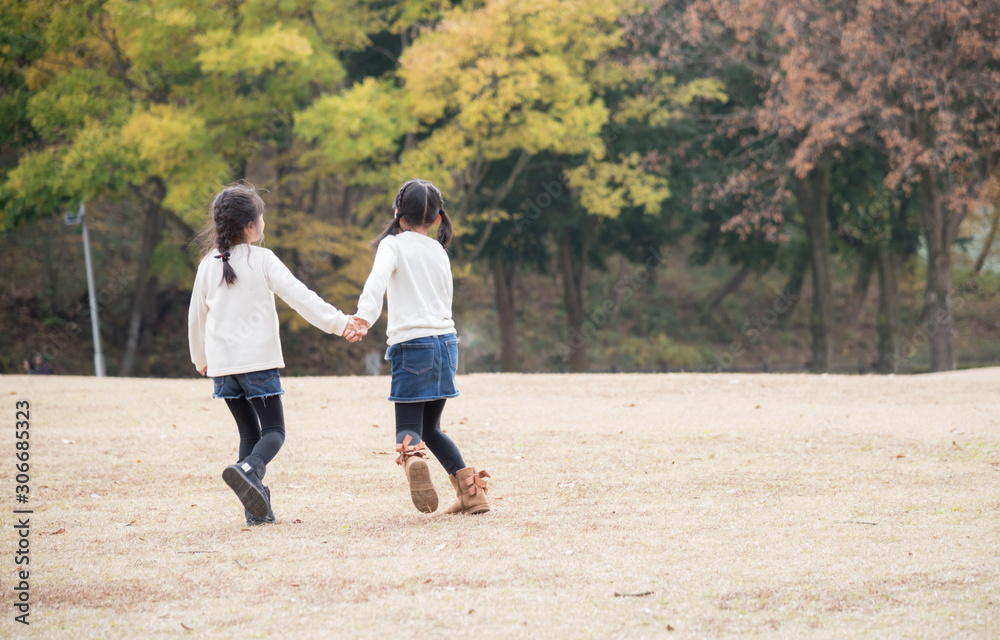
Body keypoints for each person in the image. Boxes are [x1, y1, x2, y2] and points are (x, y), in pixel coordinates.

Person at [188, 183, 363, 526]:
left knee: (249, 435)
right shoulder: (262, 260)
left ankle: (257, 511)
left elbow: (197, 318)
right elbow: (301, 297)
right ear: (250, 226)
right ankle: (247, 469)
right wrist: (341, 323)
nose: (263, 221)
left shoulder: (206, 265)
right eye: (261, 216)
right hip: (258, 364)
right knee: (274, 432)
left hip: (223, 369)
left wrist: (200, 359)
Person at [347, 179, 490, 515]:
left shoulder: (392, 246)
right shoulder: (439, 251)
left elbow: (376, 283)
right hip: (447, 345)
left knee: (410, 428)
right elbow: (445, 299)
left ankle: (413, 460)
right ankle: (472, 495)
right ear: (437, 218)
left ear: (398, 213)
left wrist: (363, 319)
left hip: (413, 346)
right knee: (432, 428)